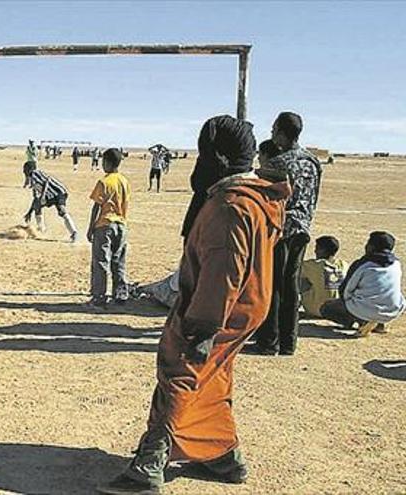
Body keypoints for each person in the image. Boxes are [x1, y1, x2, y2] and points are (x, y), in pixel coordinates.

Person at [98, 115, 290, 495]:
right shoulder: (256, 196)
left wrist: (202, 327)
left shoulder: (231, 206)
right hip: (247, 304)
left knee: (180, 369)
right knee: (213, 376)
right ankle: (221, 454)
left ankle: (150, 462)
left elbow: (224, 270)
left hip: (219, 308)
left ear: (215, 157)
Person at [248, 112, 323, 356]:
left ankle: (269, 341)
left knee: (273, 285)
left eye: (273, 130)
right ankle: (289, 342)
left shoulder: (278, 164)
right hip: (302, 229)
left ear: (281, 132)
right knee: (291, 286)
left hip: (279, 231)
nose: (271, 134)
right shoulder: (312, 161)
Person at [320, 231, 405, 336]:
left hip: (366, 309)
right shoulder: (396, 263)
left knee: (326, 308)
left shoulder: (363, 264)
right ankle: (379, 323)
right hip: (392, 310)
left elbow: (346, 290)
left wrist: (346, 302)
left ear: (371, 247)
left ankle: (362, 322)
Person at [87, 148, 131, 306]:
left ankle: (99, 297)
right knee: (118, 261)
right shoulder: (124, 181)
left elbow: (97, 207)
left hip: (105, 225)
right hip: (121, 225)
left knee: (100, 262)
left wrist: (91, 227)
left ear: (107, 162)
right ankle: (120, 295)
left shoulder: (104, 182)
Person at [22, 161, 78, 242]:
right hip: (49, 196)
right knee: (37, 205)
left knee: (62, 210)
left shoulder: (35, 173)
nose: (24, 171)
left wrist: (43, 196)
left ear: (29, 169)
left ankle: (74, 232)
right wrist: (29, 212)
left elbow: (46, 181)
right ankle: (41, 229)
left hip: (59, 192)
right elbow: (35, 199)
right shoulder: (32, 180)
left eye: (25, 169)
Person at [300, 236, 347, 318]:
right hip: (336, 309)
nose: (315, 251)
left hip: (316, 309)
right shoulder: (343, 265)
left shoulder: (313, 265)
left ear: (323, 250)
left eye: (317, 248)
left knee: (300, 278)